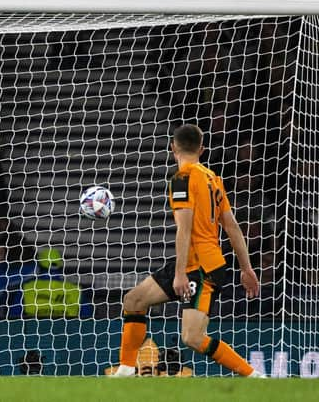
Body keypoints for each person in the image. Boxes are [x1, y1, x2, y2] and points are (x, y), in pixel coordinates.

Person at [112, 124, 263, 378]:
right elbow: (233, 227)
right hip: (197, 262)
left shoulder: (182, 179)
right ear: (202, 149)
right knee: (134, 300)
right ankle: (126, 370)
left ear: (173, 147)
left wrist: (180, 274)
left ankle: (254, 376)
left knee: (193, 338)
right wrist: (246, 269)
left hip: (201, 268)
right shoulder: (213, 179)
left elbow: (184, 229)